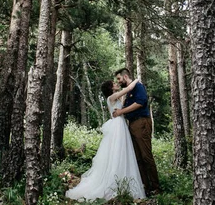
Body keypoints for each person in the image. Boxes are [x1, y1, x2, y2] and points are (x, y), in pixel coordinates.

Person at [65, 77, 146, 201]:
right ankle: (113, 182)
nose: (116, 84)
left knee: (122, 151)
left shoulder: (116, 98)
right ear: (110, 88)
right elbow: (128, 88)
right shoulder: (111, 98)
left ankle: (123, 180)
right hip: (117, 126)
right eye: (114, 84)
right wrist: (136, 79)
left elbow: (124, 99)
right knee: (117, 151)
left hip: (120, 124)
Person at [112, 68, 161, 196]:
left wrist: (121, 112)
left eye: (119, 79)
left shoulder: (138, 86)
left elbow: (140, 102)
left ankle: (156, 187)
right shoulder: (128, 92)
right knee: (137, 157)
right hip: (132, 124)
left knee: (146, 155)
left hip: (141, 123)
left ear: (125, 76)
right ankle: (145, 186)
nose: (118, 81)